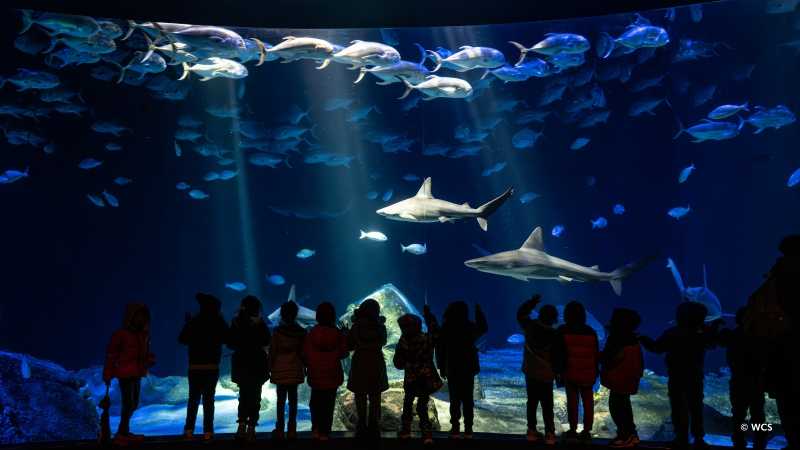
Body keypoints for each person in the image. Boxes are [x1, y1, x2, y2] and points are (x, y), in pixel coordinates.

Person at [640, 302, 721, 450]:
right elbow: (712, 343)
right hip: (695, 376)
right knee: (696, 407)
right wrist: (714, 327)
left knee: (678, 408)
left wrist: (643, 339)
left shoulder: (673, 333)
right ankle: (698, 438)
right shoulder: (701, 333)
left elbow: (656, 348)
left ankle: (681, 438)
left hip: (677, 376)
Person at [754, 235, 799, 450]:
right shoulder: (778, 274)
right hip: (783, 346)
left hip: (781, 347)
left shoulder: (777, 276)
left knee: (785, 401)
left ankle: (762, 432)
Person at [102, 303, 156, 446]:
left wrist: (149, 359)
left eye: (144, 316)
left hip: (137, 372)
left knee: (133, 404)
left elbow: (142, 354)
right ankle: (121, 434)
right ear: (131, 316)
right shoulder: (121, 334)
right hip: (125, 373)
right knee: (128, 404)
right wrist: (107, 373)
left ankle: (124, 432)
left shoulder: (143, 335)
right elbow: (111, 355)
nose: (142, 318)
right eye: (139, 315)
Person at [178, 293, 229, 441]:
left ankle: (188, 430)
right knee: (209, 400)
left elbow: (182, 339)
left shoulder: (194, 321)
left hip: (194, 367)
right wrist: (221, 319)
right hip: (212, 367)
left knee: (193, 399)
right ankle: (208, 431)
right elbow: (228, 338)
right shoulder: (218, 321)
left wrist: (188, 323)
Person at [435, 300, 488, 439]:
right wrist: (478, 312)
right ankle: (469, 429)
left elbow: (440, 349)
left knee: (455, 399)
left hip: (452, 367)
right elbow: (483, 328)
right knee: (468, 399)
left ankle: (455, 428)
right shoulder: (469, 326)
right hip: (468, 368)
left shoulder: (446, 327)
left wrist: (441, 367)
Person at [718, 307, 767, 450]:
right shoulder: (760, 336)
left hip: (741, 381)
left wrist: (715, 326)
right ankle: (758, 437)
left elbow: (719, 341)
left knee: (741, 413)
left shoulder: (734, 335)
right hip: (753, 381)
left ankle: (740, 438)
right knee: (756, 413)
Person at [393, 307, 443, 445]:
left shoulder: (402, 342)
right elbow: (436, 332)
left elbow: (397, 364)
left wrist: (407, 362)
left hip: (410, 379)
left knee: (408, 403)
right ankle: (426, 434)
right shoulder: (427, 339)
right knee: (422, 406)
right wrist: (429, 316)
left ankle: (406, 431)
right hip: (426, 379)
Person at [552, 300, 599, 444]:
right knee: (588, 401)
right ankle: (586, 431)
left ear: (566, 314)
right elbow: (595, 353)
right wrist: (595, 370)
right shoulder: (590, 331)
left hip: (570, 372)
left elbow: (557, 353)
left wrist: (558, 371)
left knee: (572, 401)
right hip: (588, 372)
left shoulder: (562, 330)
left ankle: (572, 430)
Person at [227, 295, 271, 442]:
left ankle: (241, 427)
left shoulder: (235, 322)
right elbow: (267, 341)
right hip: (257, 364)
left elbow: (230, 343)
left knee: (244, 396)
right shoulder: (260, 324)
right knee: (255, 397)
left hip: (241, 365)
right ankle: (251, 428)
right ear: (257, 308)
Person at [517, 294, 559, 445]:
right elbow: (558, 357)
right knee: (548, 404)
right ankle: (550, 433)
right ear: (554, 318)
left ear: (540, 315)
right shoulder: (555, 334)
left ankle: (531, 431)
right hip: (547, 374)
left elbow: (520, 314)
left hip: (531, 371)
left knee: (532, 402)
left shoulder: (531, 327)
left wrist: (531, 302)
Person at [303, 302, 348, 441]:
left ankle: (315, 429)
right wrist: (344, 336)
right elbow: (344, 353)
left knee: (315, 403)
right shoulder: (337, 334)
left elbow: (305, 353)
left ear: (317, 316)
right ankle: (325, 432)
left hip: (315, 375)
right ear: (333, 316)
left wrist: (308, 365)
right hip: (332, 375)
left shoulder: (311, 334)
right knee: (328, 405)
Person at [600, 308, 644, 448]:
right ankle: (631, 435)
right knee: (625, 406)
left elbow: (608, 358)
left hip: (617, 379)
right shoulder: (634, 339)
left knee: (616, 407)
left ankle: (624, 436)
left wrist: (597, 355)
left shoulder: (616, 339)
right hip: (629, 379)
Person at [347, 298, 389, 439]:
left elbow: (350, 346)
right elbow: (383, 341)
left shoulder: (356, 327)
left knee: (360, 394)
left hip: (360, 362)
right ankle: (374, 424)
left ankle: (361, 424)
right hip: (376, 362)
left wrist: (347, 335)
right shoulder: (381, 327)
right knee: (375, 394)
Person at [269, 301, 307, 440]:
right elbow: (304, 353)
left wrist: (270, 367)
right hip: (295, 370)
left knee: (280, 400)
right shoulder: (301, 332)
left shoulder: (277, 332)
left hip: (280, 371)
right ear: (296, 315)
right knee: (293, 400)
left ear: (281, 315)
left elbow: (272, 352)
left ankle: (279, 429)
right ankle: (292, 429)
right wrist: (305, 366)